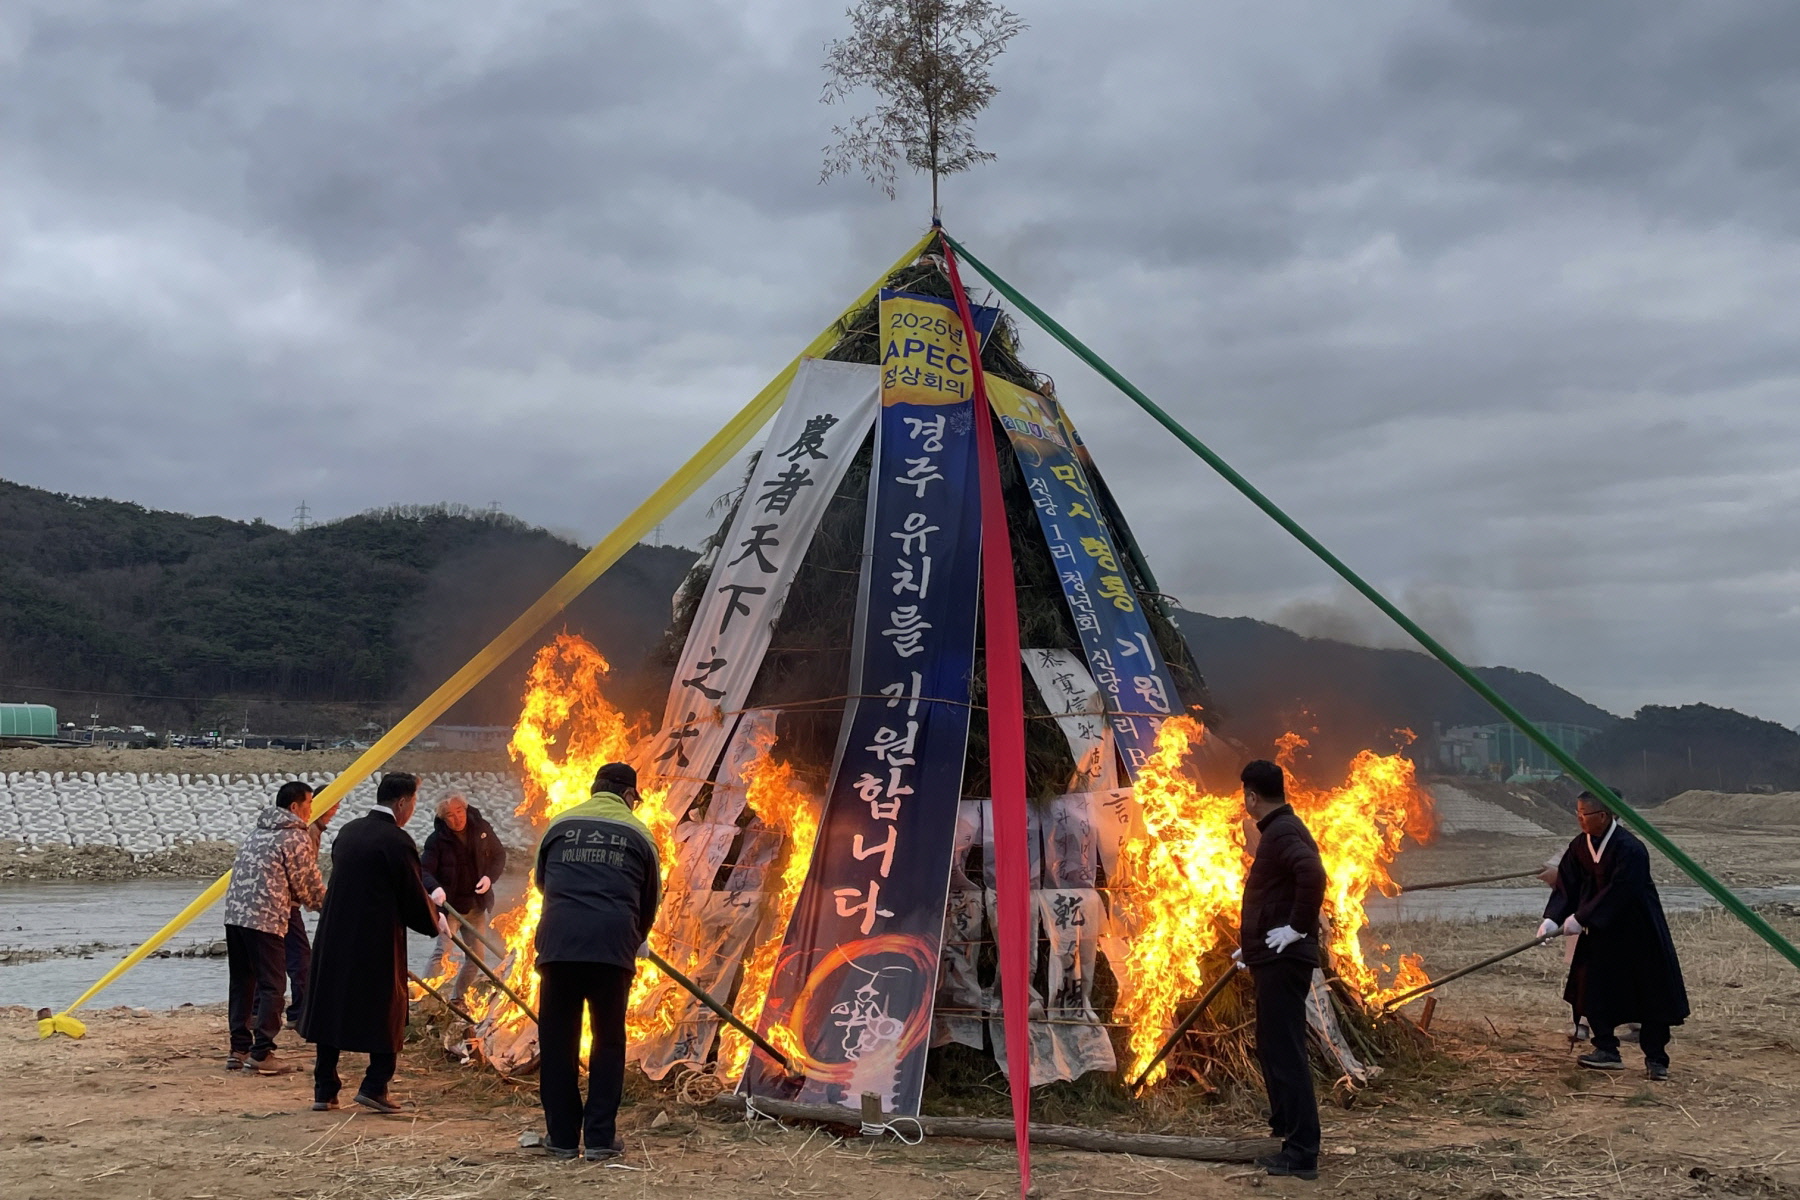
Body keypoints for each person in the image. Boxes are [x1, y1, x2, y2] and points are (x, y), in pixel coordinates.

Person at [533, 762, 661, 1162]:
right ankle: (601, 1140)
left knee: (557, 1043)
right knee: (607, 1041)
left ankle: (562, 1139)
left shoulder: (558, 826)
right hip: (611, 949)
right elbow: (649, 900)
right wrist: (634, 939)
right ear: (628, 796)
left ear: (594, 789)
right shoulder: (640, 834)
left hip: (559, 947)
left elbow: (542, 883)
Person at [299, 772, 444, 1113]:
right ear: (403, 802)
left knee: (333, 1005)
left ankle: (325, 1088)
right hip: (374, 937)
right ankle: (375, 1084)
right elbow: (410, 891)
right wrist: (434, 920)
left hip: (335, 932)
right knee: (388, 1006)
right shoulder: (396, 840)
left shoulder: (349, 831)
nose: (413, 809)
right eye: (414, 802)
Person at [1539, 791, 1689, 1080]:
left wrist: (1581, 917)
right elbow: (1568, 884)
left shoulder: (1630, 848)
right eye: (1578, 814)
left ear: (1604, 816)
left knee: (1649, 992)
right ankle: (1606, 1049)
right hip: (1599, 932)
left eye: (1586, 815)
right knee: (1591, 986)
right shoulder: (1579, 846)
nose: (1580, 820)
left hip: (1638, 931)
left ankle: (1656, 1058)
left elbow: (1620, 890)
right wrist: (1552, 918)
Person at [1237, 759, 1326, 1180]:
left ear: (1252, 796)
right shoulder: (1279, 830)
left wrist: (1296, 928)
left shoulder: (1282, 831)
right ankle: (1286, 1130)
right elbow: (1277, 893)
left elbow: (1312, 872)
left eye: (1245, 796)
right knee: (1272, 1045)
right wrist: (1252, 946)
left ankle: (1302, 1152)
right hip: (1270, 955)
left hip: (1285, 958)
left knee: (1286, 1049)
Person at [220, 781, 326, 1075]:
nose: (311, 811)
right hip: (265, 918)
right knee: (273, 986)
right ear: (295, 807)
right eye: (309, 805)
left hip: (235, 916)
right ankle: (262, 1052)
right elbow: (307, 884)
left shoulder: (258, 831)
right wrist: (330, 907)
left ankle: (238, 1049)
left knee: (242, 982)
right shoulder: (295, 836)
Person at [420, 793, 508, 1002]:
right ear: (443, 818)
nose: (457, 818)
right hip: (449, 908)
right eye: (450, 815)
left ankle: (457, 998)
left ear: (466, 809)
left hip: (476, 906)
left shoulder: (481, 828)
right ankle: (423, 998)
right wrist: (434, 889)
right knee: (442, 953)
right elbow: (423, 871)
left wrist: (489, 877)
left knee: (477, 957)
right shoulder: (436, 841)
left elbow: (499, 855)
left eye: (460, 811)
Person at [285, 803, 335, 1027]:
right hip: (284, 905)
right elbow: (305, 874)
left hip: (279, 905)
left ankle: (258, 1012)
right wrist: (324, 906)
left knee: (272, 961)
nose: (334, 812)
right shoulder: (306, 833)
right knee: (300, 958)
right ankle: (298, 1013)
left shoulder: (308, 831)